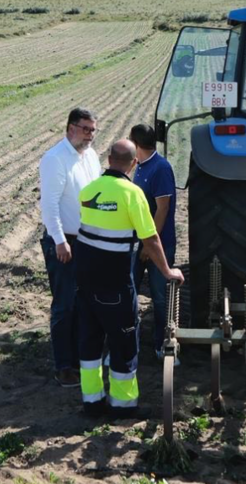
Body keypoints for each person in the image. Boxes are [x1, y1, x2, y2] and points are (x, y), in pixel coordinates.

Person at [74, 139, 184, 416]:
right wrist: (168, 271)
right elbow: (151, 239)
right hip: (115, 282)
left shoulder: (89, 190)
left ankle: (92, 401)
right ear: (134, 164)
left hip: (86, 280)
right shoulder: (132, 194)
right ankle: (122, 406)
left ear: (109, 159)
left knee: (90, 341)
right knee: (123, 342)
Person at [38, 108, 102, 388]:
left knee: (84, 302)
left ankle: (81, 358)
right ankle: (64, 366)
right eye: (86, 129)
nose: (90, 135)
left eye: (93, 130)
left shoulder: (90, 156)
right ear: (71, 127)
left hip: (87, 240)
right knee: (64, 305)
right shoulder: (55, 159)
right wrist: (60, 241)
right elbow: (49, 205)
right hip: (64, 241)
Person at [128, 123, 177, 360]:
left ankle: (162, 344)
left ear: (136, 144)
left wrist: (149, 245)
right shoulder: (139, 167)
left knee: (160, 296)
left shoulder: (160, 168)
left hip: (159, 245)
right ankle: (127, 343)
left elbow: (162, 208)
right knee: (129, 293)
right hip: (138, 245)